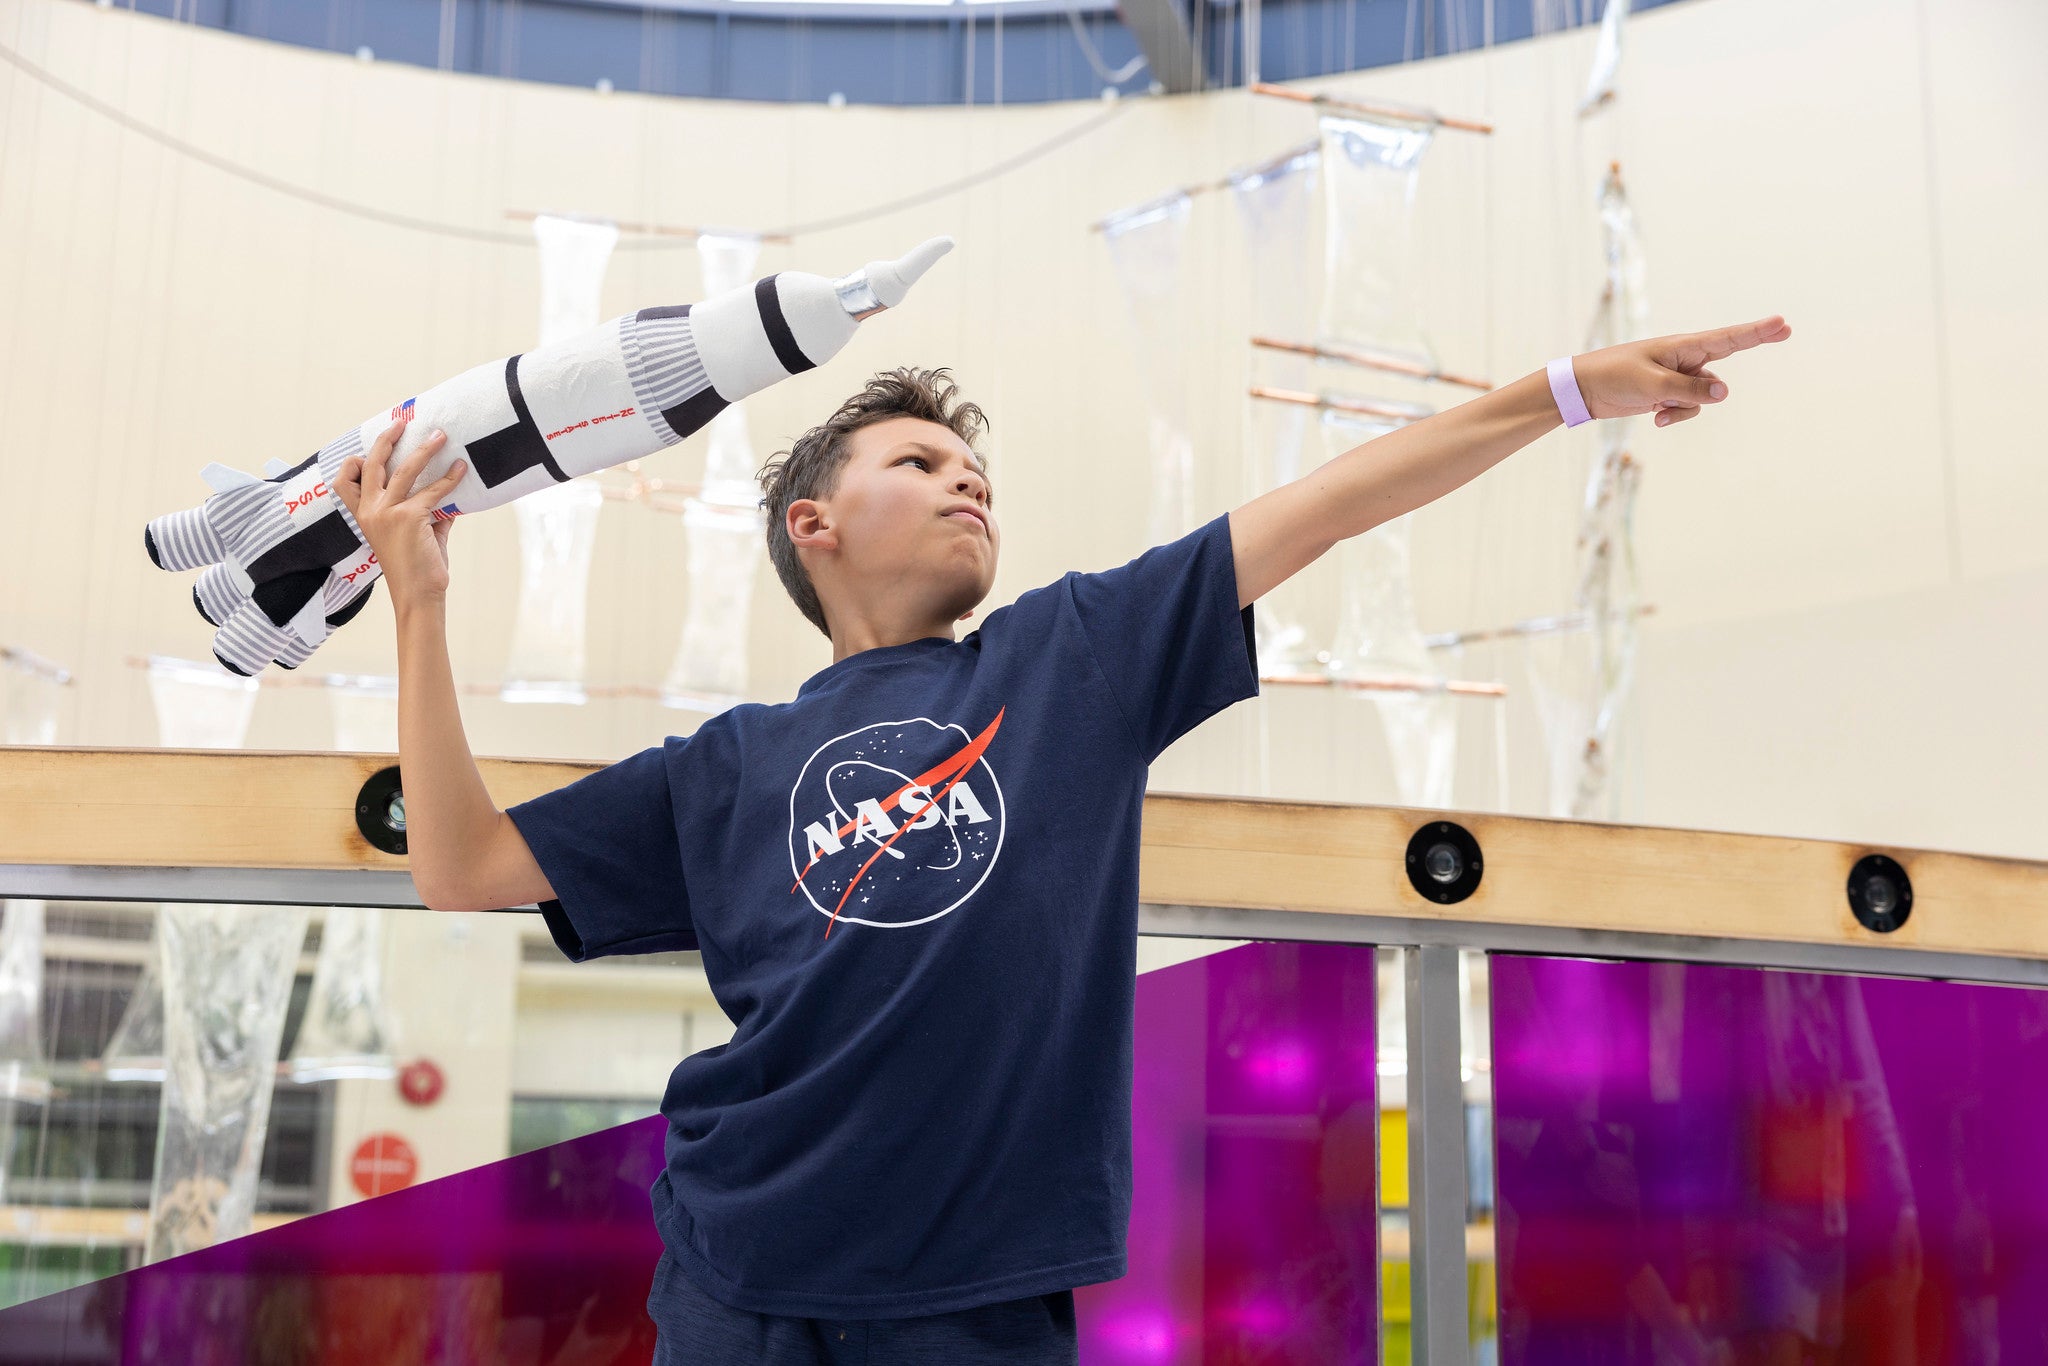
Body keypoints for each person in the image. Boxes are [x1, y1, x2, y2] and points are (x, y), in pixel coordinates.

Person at [334, 313, 1789, 1365]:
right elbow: (462, 865)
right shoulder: (723, 767)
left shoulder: (1071, 658)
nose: (970, 480)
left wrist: (1565, 389)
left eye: (978, 469)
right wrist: (418, 602)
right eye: (920, 459)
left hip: (979, 1296)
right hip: (736, 1281)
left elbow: (1335, 504)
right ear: (814, 523)